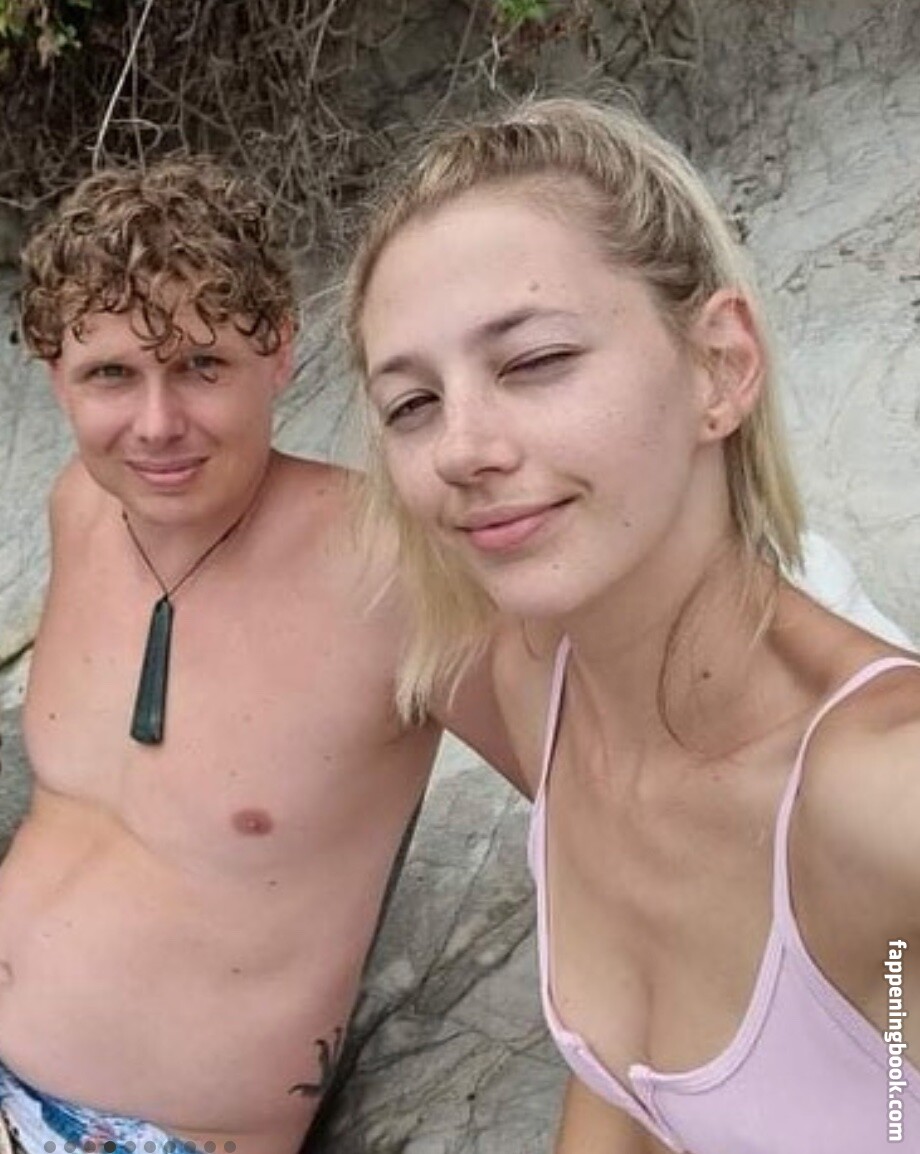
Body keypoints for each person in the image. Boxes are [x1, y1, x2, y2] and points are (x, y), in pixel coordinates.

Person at [345, 96, 920, 1152]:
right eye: (411, 404)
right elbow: (625, 1087)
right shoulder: (543, 687)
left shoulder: (882, 796)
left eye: (533, 361)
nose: (460, 448)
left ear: (719, 366)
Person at [0, 157, 522, 1154]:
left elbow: (601, 794)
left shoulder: (389, 565)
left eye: (202, 365)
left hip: (150, 1134)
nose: (158, 425)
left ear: (279, 351)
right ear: (55, 373)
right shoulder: (81, 504)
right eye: (111, 374)